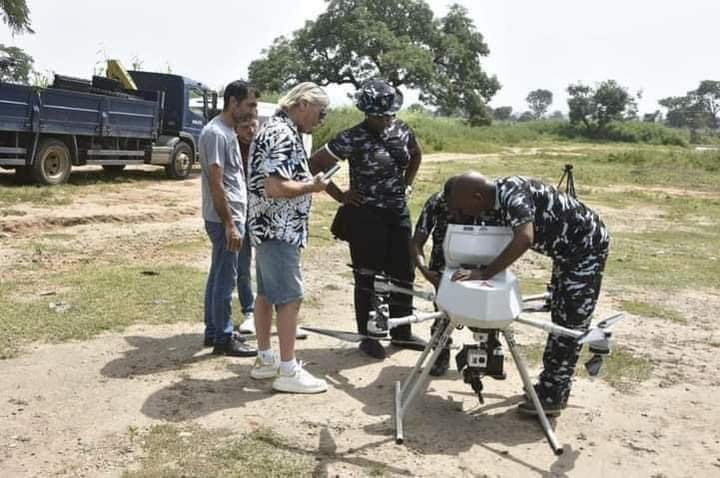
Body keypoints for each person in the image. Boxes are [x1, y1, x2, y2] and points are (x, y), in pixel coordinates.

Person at [446, 172, 610, 415]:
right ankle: (549, 386)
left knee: (569, 323)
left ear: (477, 197)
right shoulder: (493, 201)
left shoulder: (512, 195)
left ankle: (554, 395)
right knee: (559, 311)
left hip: (586, 249)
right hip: (565, 253)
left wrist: (485, 273)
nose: (462, 214)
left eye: (462, 208)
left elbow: (524, 238)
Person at [310, 78, 426, 360]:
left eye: (391, 113)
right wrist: (340, 195)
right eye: (381, 115)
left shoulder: (401, 129)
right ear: (368, 113)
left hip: (397, 212)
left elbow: (415, 154)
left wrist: (407, 184)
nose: (388, 119)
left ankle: (401, 330)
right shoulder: (351, 137)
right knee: (367, 274)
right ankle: (367, 335)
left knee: (403, 271)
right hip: (366, 216)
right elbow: (314, 164)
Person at [247, 82, 331, 393]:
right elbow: (275, 186)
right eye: (320, 114)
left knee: (267, 294)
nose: (320, 121)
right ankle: (287, 369)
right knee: (290, 298)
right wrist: (312, 186)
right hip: (278, 227)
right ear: (304, 104)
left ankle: (266, 359)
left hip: (267, 226)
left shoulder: (278, 128)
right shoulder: (282, 133)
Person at [413, 177, 502, 376]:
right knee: (443, 316)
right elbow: (417, 242)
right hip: (443, 270)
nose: (456, 213)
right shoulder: (436, 202)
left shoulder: (486, 205)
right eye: (452, 208)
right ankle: (440, 356)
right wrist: (424, 270)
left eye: (461, 208)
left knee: (485, 315)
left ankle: (489, 357)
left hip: (479, 270)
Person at [199, 80, 259, 357]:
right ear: (233, 102)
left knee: (219, 274)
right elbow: (217, 183)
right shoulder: (216, 134)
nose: (252, 111)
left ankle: (214, 332)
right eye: (249, 104)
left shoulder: (228, 131)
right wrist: (230, 224)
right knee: (226, 278)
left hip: (231, 216)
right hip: (226, 218)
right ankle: (223, 337)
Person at [234, 118, 258, 335]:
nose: (250, 131)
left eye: (253, 126)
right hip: (241, 213)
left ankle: (283, 313)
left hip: (264, 213)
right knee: (242, 266)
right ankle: (249, 312)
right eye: (245, 127)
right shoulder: (231, 147)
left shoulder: (264, 145)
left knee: (270, 265)